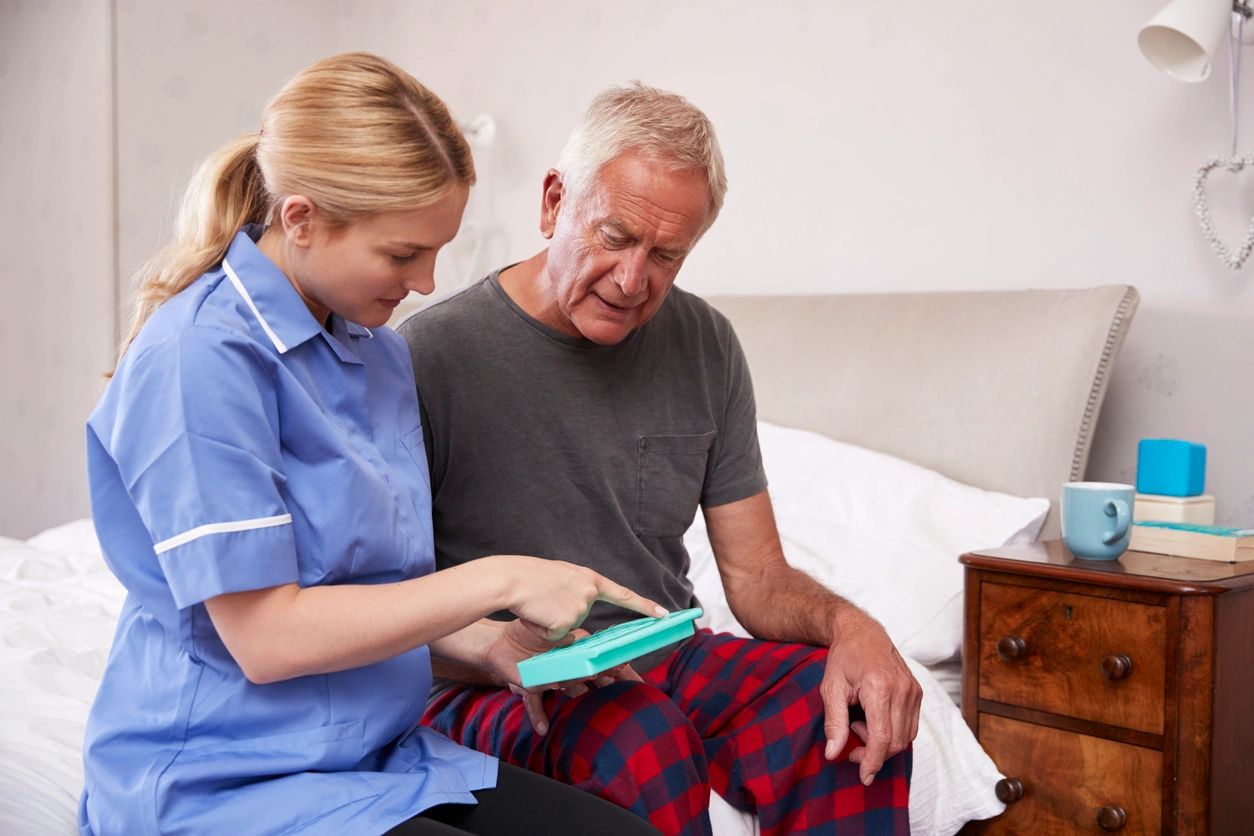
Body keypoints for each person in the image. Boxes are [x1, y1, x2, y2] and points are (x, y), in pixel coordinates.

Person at [78, 53, 665, 836]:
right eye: (401, 254)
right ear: (302, 219)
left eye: (436, 251)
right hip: (222, 782)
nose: (425, 282)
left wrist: (491, 642)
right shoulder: (201, 358)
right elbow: (267, 639)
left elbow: (355, 585)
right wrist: (506, 577)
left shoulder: (377, 353)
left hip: (371, 759)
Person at [398, 82, 924, 835]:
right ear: (553, 203)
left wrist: (852, 626)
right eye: (615, 236)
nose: (633, 279)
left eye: (667, 254)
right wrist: (501, 651)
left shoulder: (706, 346)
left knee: (845, 706)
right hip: (494, 678)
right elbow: (386, 598)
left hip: (659, 654)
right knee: (639, 736)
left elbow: (758, 579)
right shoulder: (428, 356)